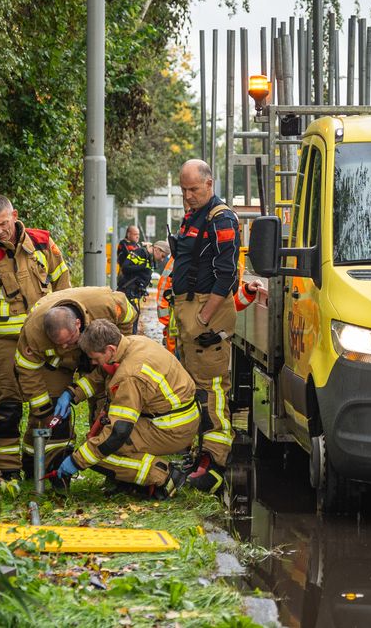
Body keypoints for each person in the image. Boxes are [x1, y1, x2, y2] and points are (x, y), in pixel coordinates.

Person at [0, 195, 71, 480]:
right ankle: (8, 471)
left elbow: (63, 284)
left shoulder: (42, 243)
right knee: (8, 407)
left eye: (3, 224)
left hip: (43, 340)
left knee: (45, 403)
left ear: (14, 215)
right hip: (4, 344)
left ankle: (38, 464)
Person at [56, 319, 196, 499]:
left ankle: (164, 476)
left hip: (172, 428)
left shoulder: (130, 375)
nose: (92, 362)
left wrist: (76, 461)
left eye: (95, 358)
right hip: (175, 417)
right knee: (96, 448)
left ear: (110, 350)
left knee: (98, 452)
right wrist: (73, 394)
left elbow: (117, 433)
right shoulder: (131, 344)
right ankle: (131, 479)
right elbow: (100, 375)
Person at [14, 286, 138, 476]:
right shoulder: (33, 331)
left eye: (69, 340)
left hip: (98, 351)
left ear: (79, 323)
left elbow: (129, 316)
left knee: (106, 405)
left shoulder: (104, 304)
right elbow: (27, 370)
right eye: (59, 343)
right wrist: (43, 409)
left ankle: (112, 469)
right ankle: (39, 467)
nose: (64, 346)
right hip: (58, 364)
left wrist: (120, 352)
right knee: (50, 409)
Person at [169, 159, 239, 494]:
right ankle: (200, 455)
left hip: (204, 312)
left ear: (209, 184)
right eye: (184, 190)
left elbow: (226, 274)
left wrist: (203, 317)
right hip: (190, 309)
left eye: (193, 189)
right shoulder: (194, 216)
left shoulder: (220, 217)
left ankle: (214, 463)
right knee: (197, 388)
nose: (188, 196)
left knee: (212, 389)